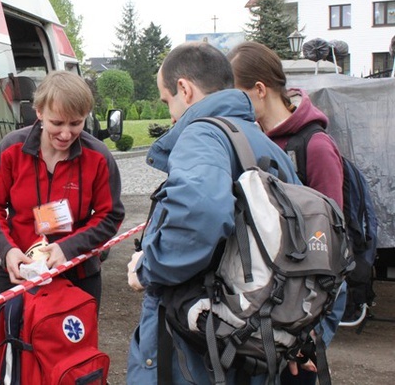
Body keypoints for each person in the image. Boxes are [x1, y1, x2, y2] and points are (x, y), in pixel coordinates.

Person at [126, 42, 300, 384]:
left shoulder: (202, 134)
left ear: (184, 89)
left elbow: (202, 212)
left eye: (167, 101)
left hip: (197, 350)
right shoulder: (263, 144)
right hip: (251, 339)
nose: (171, 114)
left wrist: (148, 267)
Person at [228, 41, 347, 385]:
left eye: (236, 95)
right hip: (261, 315)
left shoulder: (316, 147)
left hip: (297, 322)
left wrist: (305, 337)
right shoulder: (249, 141)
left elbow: (330, 249)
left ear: (260, 90)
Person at [0, 70, 125, 305]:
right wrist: (7, 250)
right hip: (20, 274)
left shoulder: (98, 157)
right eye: (56, 123)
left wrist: (68, 248)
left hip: (78, 274)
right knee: (18, 341)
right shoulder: (11, 149)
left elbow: (111, 215)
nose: (66, 134)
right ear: (39, 113)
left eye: (76, 123)